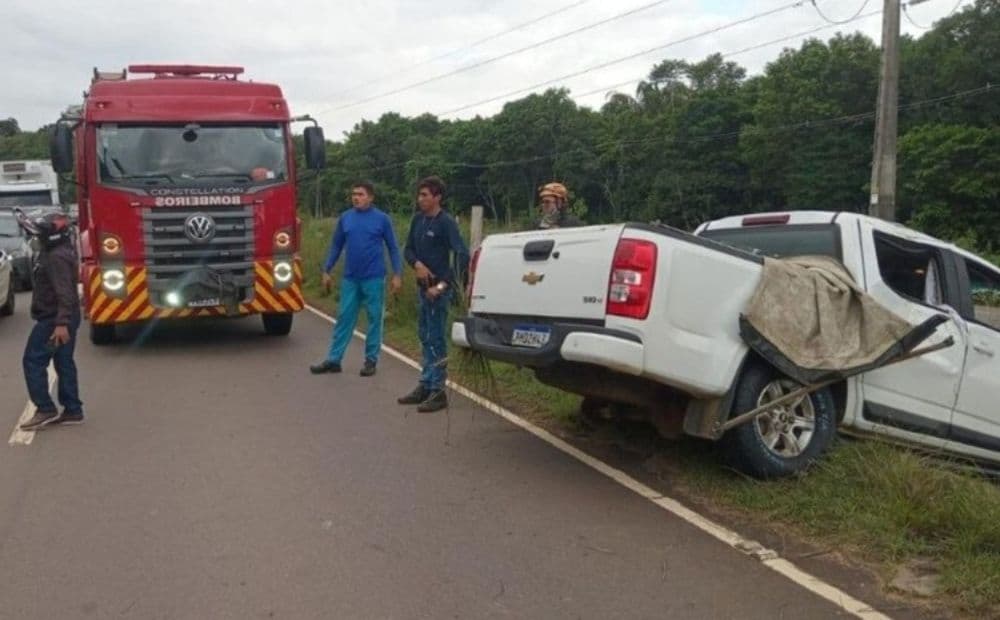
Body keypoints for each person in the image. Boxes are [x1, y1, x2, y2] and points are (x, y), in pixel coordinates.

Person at [310, 182, 403, 377]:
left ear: (371, 197)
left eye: (360, 194)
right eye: (354, 194)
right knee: (344, 317)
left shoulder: (382, 219)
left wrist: (397, 274)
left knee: (374, 318)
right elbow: (336, 245)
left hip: (374, 277)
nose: (356, 197)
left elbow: (393, 248)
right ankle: (334, 359)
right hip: (351, 277)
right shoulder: (346, 218)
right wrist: (326, 269)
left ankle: (371, 360)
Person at [397, 176, 470, 413]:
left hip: (438, 291)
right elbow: (408, 249)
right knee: (424, 335)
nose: (420, 199)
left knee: (437, 338)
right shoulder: (418, 220)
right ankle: (426, 383)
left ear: (437, 197)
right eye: (419, 195)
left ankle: (438, 390)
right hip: (422, 288)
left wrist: (442, 286)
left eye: (425, 195)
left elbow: (462, 255)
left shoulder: (445, 222)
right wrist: (417, 264)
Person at [16, 209, 84, 430]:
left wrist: (61, 324)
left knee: (33, 360)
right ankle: (72, 410)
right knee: (64, 362)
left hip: (53, 319)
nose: (35, 239)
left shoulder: (55, 257)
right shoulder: (59, 251)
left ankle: (45, 408)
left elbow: (65, 293)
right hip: (64, 316)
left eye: (38, 234)